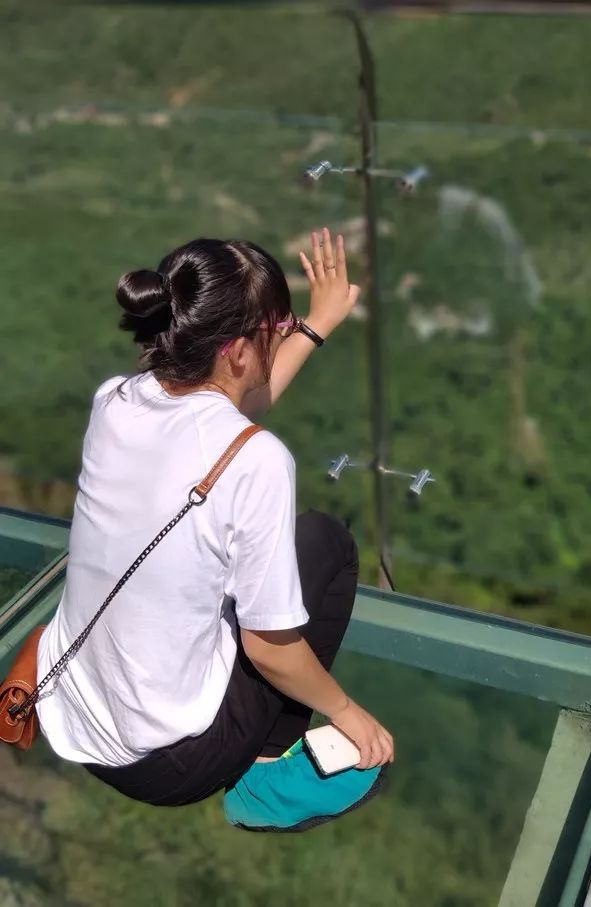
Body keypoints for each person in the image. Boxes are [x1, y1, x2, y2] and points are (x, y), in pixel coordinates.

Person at [36, 228, 394, 832]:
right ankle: (265, 768)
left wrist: (315, 323)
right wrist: (346, 710)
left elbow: (229, 412)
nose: (282, 339)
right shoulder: (258, 461)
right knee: (327, 543)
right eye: (275, 332)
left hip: (65, 707)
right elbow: (269, 650)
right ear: (237, 350)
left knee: (273, 549)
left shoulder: (117, 399)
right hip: (167, 764)